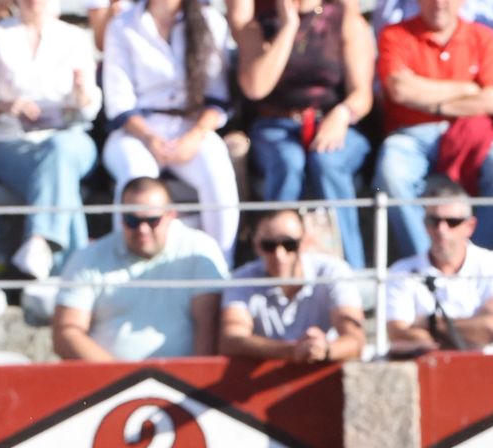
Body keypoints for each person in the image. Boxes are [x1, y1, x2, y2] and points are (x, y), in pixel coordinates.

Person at [231, 0, 375, 270]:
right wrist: (288, 27)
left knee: (328, 162)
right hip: (276, 125)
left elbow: (362, 94)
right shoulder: (258, 25)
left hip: (334, 121)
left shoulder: (345, 20)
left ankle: (350, 270)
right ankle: (276, 263)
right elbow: (255, 88)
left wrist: (342, 114)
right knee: (287, 162)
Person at [0, 0, 101, 280]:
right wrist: (5, 106)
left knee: (60, 151)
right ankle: (73, 278)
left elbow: (90, 107)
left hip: (69, 139)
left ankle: (40, 242)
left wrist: (80, 93)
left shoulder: (75, 38)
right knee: (63, 183)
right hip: (11, 143)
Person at [371, 0, 493, 260]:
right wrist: (467, 89)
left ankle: (480, 260)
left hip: (469, 132)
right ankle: (424, 260)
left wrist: (430, 98)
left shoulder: (482, 36)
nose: (439, 4)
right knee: (391, 172)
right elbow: (399, 90)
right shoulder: (395, 34)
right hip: (410, 133)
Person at [101, 0, 238, 256]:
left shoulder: (210, 20)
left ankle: (219, 267)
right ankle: (124, 266)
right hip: (136, 131)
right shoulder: (123, 24)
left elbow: (218, 97)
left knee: (217, 169)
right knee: (136, 175)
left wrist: (194, 136)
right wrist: (150, 138)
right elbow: (118, 102)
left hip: (193, 128)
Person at [51, 176, 228, 361]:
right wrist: (120, 379)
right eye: (132, 220)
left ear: (170, 215)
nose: (142, 229)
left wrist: (193, 383)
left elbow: (209, 326)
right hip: (106, 385)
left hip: (182, 383)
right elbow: (66, 333)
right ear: (120, 217)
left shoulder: (199, 249)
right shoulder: (89, 257)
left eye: (152, 220)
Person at [381, 176, 493, 355]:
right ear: (425, 224)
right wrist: (477, 325)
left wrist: (426, 324)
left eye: (452, 222)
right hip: (431, 374)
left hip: (491, 374)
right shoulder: (401, 271)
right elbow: (397, 333)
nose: (441, 230)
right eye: (434, 221)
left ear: (470, 226)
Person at [220, 206, 368, 361]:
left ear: (305, 242)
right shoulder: (242, 279)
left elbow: (356, 339)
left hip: (322, 376)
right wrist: (292, 351)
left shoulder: (333, 271)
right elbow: (230, 340)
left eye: (289, 244)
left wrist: (324, 349)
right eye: (268, 245)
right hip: (261, 382)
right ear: (257, 246)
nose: (279, 254)